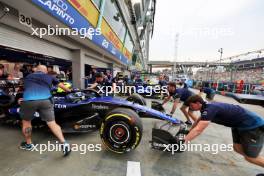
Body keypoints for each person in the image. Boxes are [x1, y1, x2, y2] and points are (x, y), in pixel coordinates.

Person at [184, 95, 264, 167]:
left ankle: (255, 158)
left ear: (198, 103)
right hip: (238, 125)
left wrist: (183, 142)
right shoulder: (205, 107)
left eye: (191, 105)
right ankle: (255, 158)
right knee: (237, 148)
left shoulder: (210, 109)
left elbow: (198, 130)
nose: (190, 108)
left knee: (251, 158)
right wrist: (189, 131)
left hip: (252, 125)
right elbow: (199, 120)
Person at [20, 65, 72, 156]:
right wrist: (69, 90)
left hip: (29, 100)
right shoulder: (49, 76)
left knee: (26, 122)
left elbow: (25, 87)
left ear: (36, 70)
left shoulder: (28, 76)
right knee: (52, 123)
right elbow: (63, 87)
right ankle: (64, 143)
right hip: (46, 100)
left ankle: (29, 144)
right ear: (45, 71)